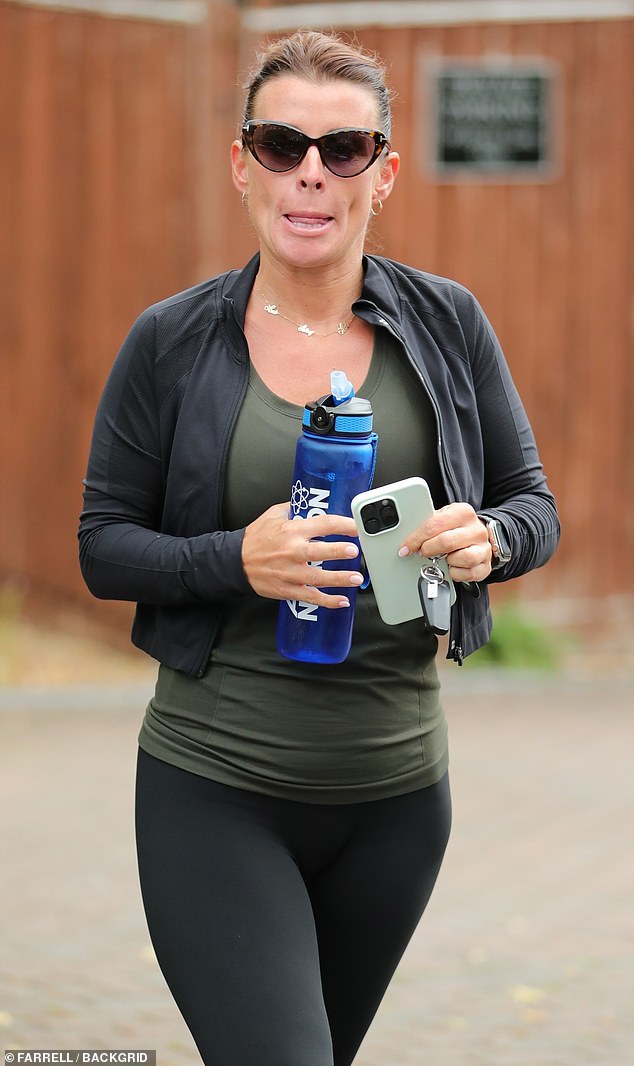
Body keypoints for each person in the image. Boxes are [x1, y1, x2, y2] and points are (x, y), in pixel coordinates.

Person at [78, 30, 559, 1066]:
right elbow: (103, 546)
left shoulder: (447, 322)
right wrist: (231, 560)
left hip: (396, 802)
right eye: (280, 141)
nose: (310, 170)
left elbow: (532, 505)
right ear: (240, 163)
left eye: (342, 149)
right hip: (216, 788)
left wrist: (489, 538)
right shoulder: (171, 340)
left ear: (381, 175)